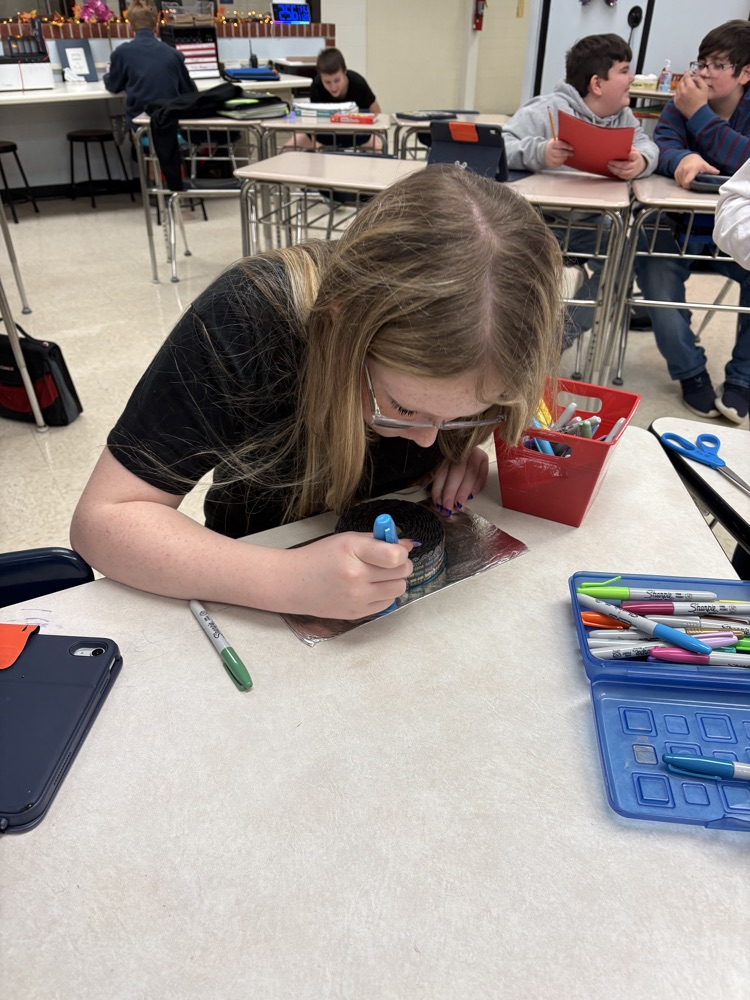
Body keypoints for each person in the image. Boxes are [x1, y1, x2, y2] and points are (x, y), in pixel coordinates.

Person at [70, 167, 563, 621]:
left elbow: (443, 435)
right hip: (250, 576)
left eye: (463, 414)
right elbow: (104, 521)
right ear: (338, 328)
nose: (426, 440)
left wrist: (463, 447)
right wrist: (286, 581)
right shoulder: (249, 320)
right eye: (405, 408)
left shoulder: (490, 350)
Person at [503, 33, 658, 347]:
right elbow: (501, 145)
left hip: (591, 225)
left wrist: (640, 161)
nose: (633, 78)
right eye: (625, 71)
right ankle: (513, 335)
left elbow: (649, 147)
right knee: (505, 259)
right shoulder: (546, 109)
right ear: (597, 84)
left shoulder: (623, 117)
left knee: (623, 254)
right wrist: (539, 151)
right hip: (537, 223)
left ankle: (556, 339)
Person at [634, 19, 750, 423]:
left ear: (744, 73)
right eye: (701, 62)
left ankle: (742, 382)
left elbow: (745, 161)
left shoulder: (693, 106)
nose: (702, 72)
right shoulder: (677, 106)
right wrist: (680, 158)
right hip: (681, 229)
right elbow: (659, 145)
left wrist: (698, 114)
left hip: (737, 236)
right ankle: (690, 373)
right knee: (653, 271)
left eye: (717, 64)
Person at [104, 0, 196, 130]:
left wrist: (107, 76)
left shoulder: (122, 53)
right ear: (156, 25)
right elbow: (190, 91)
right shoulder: (174, 54)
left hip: (142, 127)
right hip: (172, 128)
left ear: (130, 26)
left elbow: (113, 86)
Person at [285, 47, 382, 153]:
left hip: (356, 134)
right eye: (327, 82)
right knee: (287, 150)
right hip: (324, 134)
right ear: (320, 76)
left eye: (337, 80)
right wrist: (316, 145)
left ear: (345, 72)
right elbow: (313, 123)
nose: (333, 87)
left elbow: (378, 113)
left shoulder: (359, 84)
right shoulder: (316, 86)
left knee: (377, 149)